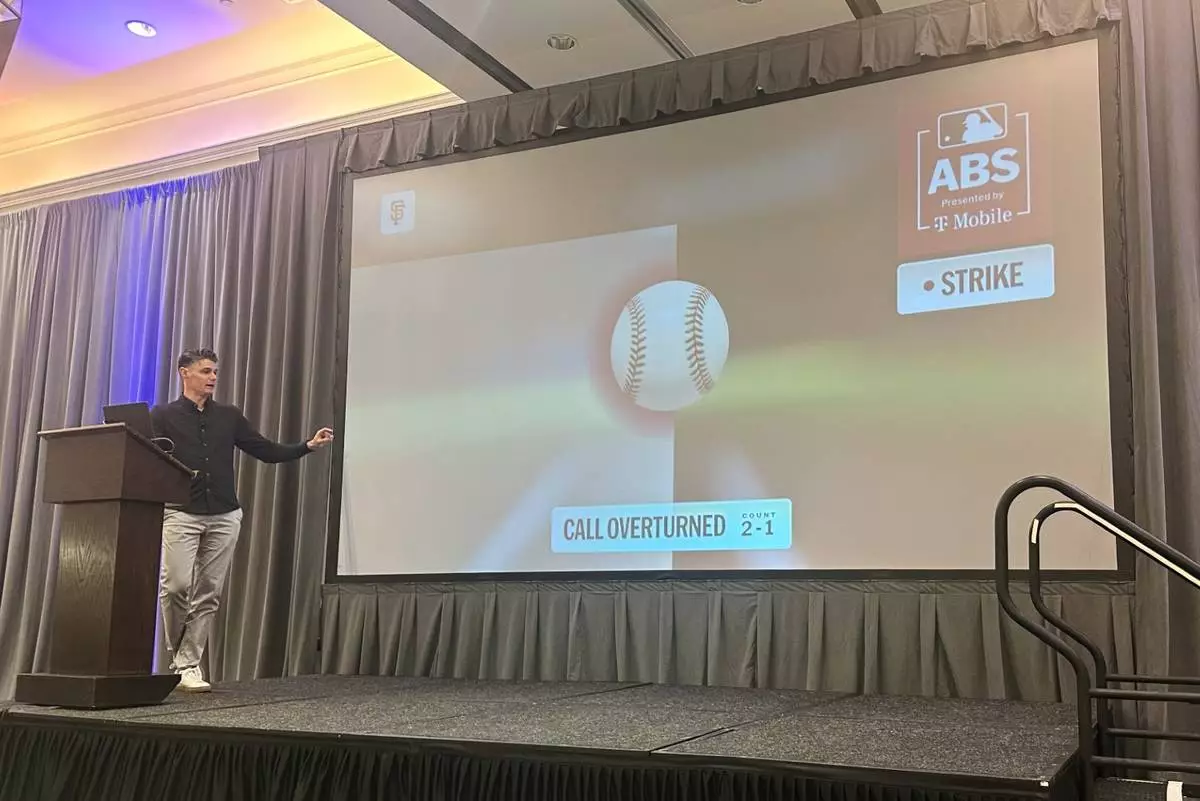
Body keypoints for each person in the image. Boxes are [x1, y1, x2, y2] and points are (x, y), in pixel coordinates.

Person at [150, 348, 334, 692]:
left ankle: (187, 665)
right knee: (175, 586)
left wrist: (307, 446)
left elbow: (265, 450)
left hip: (225, 515)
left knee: (208, 593)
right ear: (184, 373)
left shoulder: (229, 416)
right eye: (205, 371)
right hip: (180, 512)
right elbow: (147, 457)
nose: (213, 377)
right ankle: (180, 655)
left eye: (215, 372)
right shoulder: (162, 415)